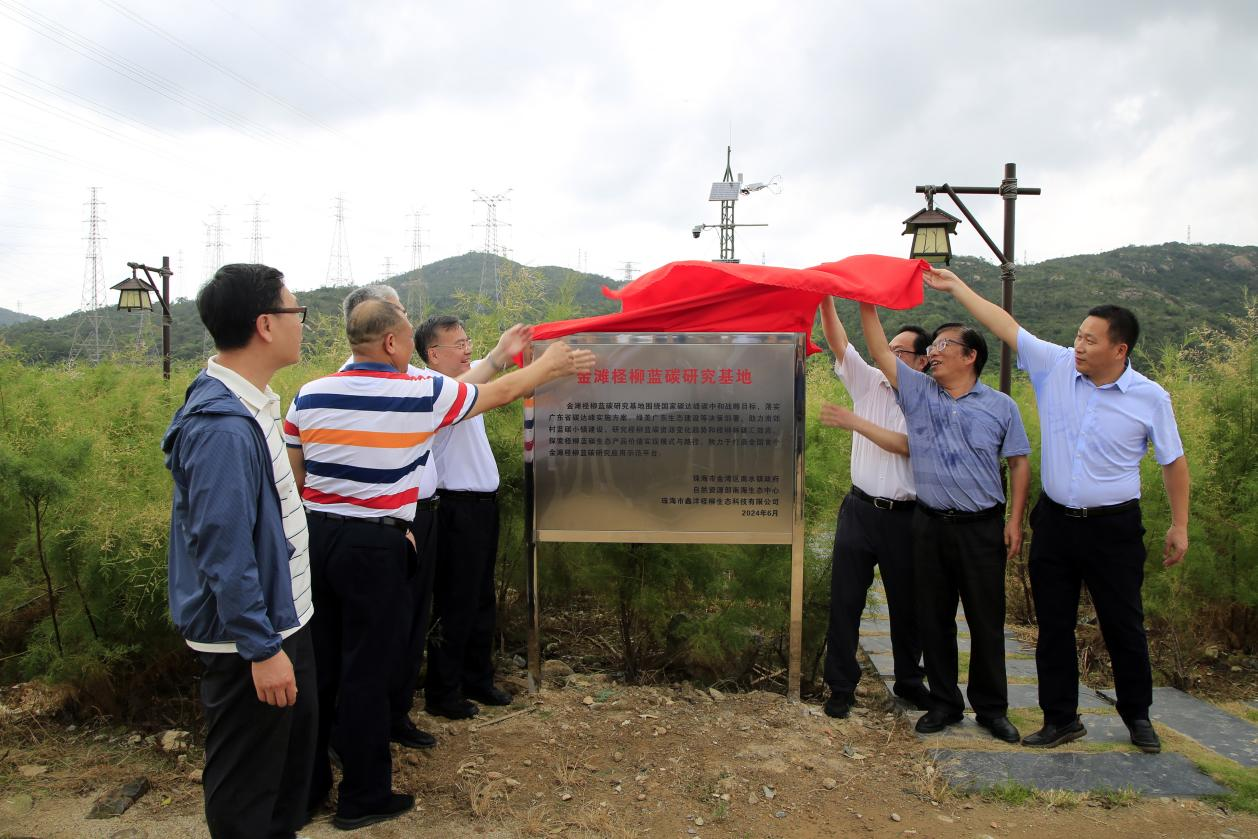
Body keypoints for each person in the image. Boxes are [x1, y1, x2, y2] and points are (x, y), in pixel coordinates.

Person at [285, 297, 592, 830]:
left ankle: (308, 790)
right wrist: (550, 365)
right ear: (390, 343)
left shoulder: (310, 393)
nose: (413, 347)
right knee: (368, 670)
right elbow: (495, 393)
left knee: (323, 668)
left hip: (316, 537)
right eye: (408, 337)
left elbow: (295, 477)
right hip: (373, 545)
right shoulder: (415, 391)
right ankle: (363, 796)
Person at [923, 267, 1189, 753]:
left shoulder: (1150, 397)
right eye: (1078, 336)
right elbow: (1005, 325)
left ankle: (1137, 716)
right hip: (1056, 522)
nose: (1079, 346)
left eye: (1090, 340)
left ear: (1119, 349)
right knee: (1054, 626)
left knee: (1123, 623)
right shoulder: (1056, 366)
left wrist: (1180, 524)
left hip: (1115, 528)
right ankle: (1061, 718)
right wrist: (958, 288)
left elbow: (1173, 461)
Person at [162, 263, 315, 839]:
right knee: (247, 786)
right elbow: (223, 549)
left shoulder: (251, 401)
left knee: (282, 778)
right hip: (249, 638)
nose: (303, 323)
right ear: (266, 325)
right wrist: (260, 647)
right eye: (296, 312)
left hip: (282, 620)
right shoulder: (223, 427)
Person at [861, 303, 1030, 743]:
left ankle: (992, 709)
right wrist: (866, 299)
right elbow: (880, 351)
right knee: (934, 619)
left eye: (942, 345)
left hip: (981, 527)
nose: (932, 352)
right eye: (931, 345)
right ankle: (944, 703)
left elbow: (1018, 462)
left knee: (986, 621)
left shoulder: (1001, 407)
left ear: (970, 355)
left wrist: (1014, 521)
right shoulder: (919, 393)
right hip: (930, 524)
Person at [816, 297, 931, 718]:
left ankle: (909, 682)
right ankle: (841, 687)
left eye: (899, 351)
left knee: (907, 605)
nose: (888, 353)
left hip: (905, 516)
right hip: (859, 510)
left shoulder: (927, 398)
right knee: (845, 601)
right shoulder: (868, 384)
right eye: (889, 347)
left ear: (921, 361)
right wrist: (826, 297)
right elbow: (839, 343)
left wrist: (853, 421)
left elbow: (905, 447)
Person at [414, 315, 524, 719]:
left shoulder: (462, 389)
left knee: (480, 598)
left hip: (481, 507)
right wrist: (500, 355)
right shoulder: (432, 390)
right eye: (457, 344)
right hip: (454, 508)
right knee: (455, 601)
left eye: (468, 340)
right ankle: (443, 692)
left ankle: (477, 678)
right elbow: (477, 384)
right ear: (433, 354)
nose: (466, 349)